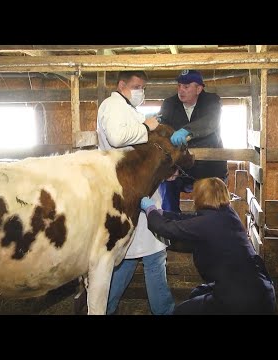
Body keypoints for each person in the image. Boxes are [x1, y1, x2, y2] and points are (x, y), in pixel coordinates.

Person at [96, 70, 175, 315]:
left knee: (129, 258)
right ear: (122, 85)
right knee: (149, 258)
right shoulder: (112, 105)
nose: (141, 91)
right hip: (129, 193)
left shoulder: (127, 108)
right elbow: (118, 137)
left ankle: (104, 309)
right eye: (137, 86)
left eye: (143, 87)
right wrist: (145, 125)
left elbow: (141, 153)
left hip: (136, 193)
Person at [140, 177, 276, 315]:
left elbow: (165, 228)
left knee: (181, 312)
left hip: (240, 299)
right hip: (261, 290)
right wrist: (162, 213)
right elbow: (189, 220)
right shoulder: (228, 214)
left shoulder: (206, 223)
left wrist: (150, 209)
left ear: (200, 197)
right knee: (198, 292)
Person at [158, 69, 228, 213]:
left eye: (186, 86)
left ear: (199, 88)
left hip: (209, 167)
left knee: (213, 207)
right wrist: (170, 166)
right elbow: (163, 128)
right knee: (167, 186)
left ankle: (210, 230)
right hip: (180, 166)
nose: (181, 91)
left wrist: (187, 130)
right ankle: (171, 227)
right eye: (179, 86)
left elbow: (210, 122)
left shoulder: (212, 101)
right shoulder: (169, 104)